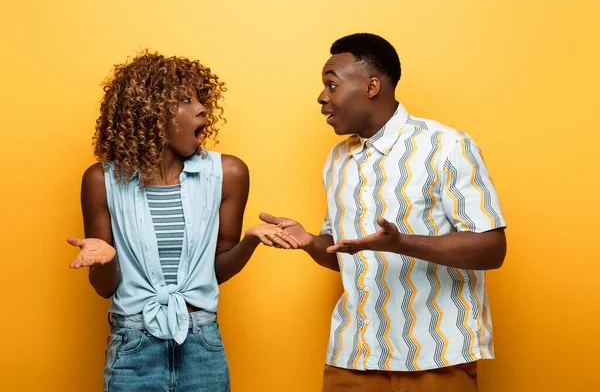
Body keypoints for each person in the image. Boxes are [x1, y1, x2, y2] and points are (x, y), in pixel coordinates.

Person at [260, 33, 507, 392]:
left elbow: (492, 248)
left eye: (331, 84)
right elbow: (345, 253)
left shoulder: (448, 146)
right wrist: (312, 242)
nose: (322, 97)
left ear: (372, 86)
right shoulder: (337, 160)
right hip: (353, 357)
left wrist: (401, 243)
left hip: (436, 358)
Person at [67, 51, 298, 392]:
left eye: (202, 99)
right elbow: (104, 287)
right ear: (148, 112)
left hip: (202, 343)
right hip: (132, 345)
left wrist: (250, 242)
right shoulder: (101, 181)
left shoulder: (229, 174)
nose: (202, 108)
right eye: (186, 100)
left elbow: (216, 270)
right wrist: (107, 257)